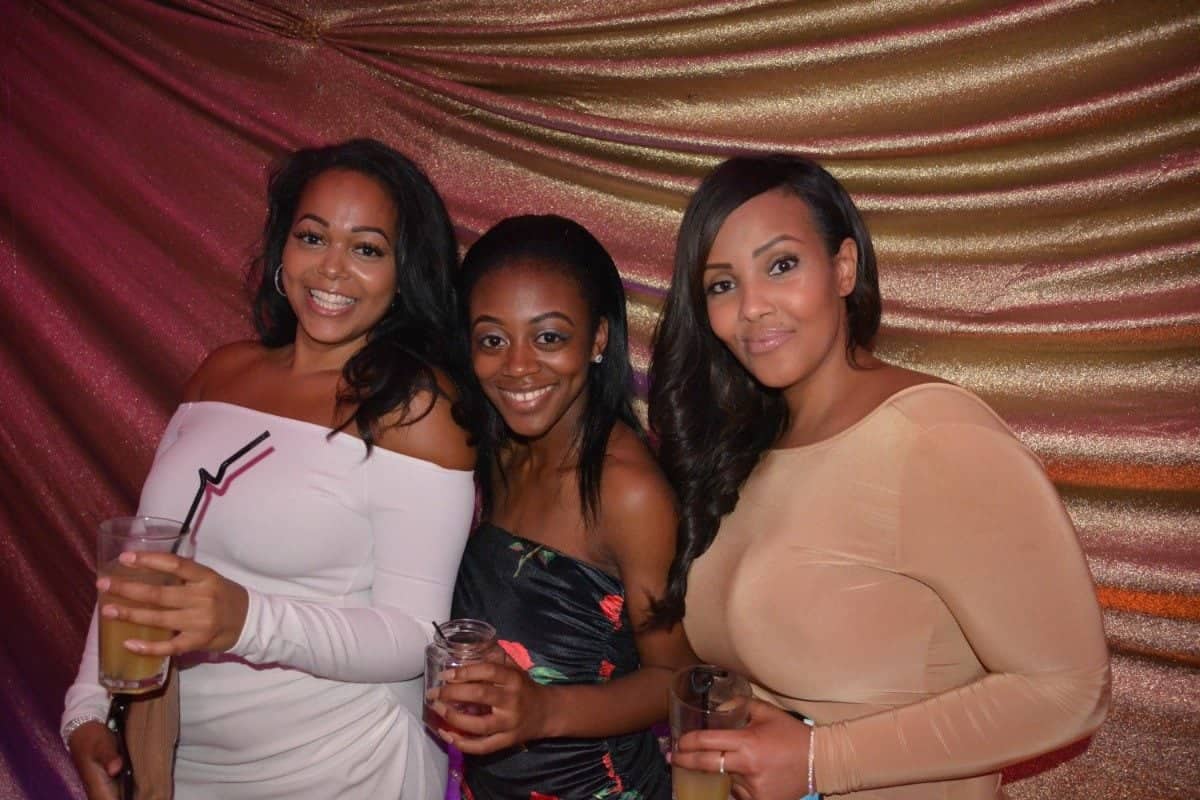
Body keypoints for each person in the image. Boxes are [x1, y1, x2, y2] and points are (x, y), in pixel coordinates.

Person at [648, 154, 1111, 800]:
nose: (752, 307)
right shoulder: (746, 450)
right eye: (722, 285)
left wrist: (821, 760)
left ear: (844, 268)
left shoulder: (935, 439)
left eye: (781, 266)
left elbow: (1071, 690)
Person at [61, 138, 477, 799]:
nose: (332, 268)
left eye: (367, 249)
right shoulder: (221, 373)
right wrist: (86, 707)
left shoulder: (419, 410)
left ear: (404, 273)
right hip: (182, 765)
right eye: (313, 237)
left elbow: (413, 634)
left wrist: (244, 620)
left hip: (342, 770)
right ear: (283, 248)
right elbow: (140, 561)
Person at [426, 215, 694, 800]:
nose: (518, 366)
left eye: (549, 337)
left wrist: (543, 710)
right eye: (492, 340)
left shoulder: (627, 492)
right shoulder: (497, 451)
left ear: (598, 339)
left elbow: (677, 678)